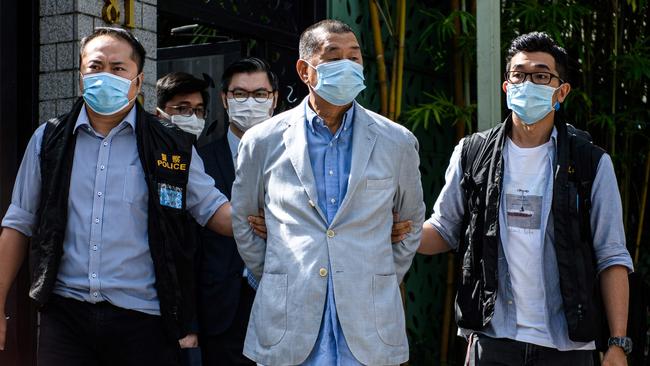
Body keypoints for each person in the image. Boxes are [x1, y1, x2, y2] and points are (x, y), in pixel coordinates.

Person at [0, 27, 232, 366]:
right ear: (81, 75)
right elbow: (19, 222)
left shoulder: (172, 144)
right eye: (95, 66)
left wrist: (262, 217)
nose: (105, 75)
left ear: (137, 81)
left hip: (144, 323)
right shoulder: (48, 139)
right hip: (66, 318)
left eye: (118, 68)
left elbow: (212, 208)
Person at [417, 32, 633, 365]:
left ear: (561, 92)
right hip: (492, 338)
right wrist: (396, 229)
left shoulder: (591, 162)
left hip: (567, 345)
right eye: (518, 75)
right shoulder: (472, 153)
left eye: (541, 75)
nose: (527, 83)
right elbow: (443, 230)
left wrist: (618, 342)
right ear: (506, 87)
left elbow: (611, 254)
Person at [231, 19, 425, 366]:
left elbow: (410, 222)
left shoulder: (397, 141)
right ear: (305, 70)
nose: (347, 65)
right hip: (289, 323)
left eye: (355, 56)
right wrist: (281, 272)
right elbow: (244, 222)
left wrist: (375, 273)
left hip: (368, 325)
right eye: (334, 57)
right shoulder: (262, 140)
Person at [196, 58, 278, 366]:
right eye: (240, 94)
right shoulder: (200, 160)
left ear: (274, 100)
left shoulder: (296, 159)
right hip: (220, 306)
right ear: (224, 99)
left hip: (280, 300)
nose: (250, 102)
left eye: (260, 94)